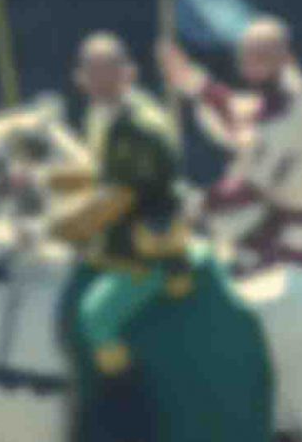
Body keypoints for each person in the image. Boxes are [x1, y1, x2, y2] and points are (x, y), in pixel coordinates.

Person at [45, 33, 195, 372]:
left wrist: (57, 229)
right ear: (80, 77)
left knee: (95, 316)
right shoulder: (101, 116)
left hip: (144, 248)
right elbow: (102, 172)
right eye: (91, 71)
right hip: (112, 235)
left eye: (107, 71)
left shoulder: (137, 126)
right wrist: (48, 182)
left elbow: (118, 196)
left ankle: (124, 391)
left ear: (127, 73)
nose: (98, 80)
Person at [157, 16, 302, 271]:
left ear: (284, 58)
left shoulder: (297, 110)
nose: (251, 64)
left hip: (289, 240)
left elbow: (253, 185)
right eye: (248, 56)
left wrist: (197, 203)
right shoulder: (270, 104)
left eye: (261, 56)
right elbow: (233, 110)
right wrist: (189, 79)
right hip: (256, 228)